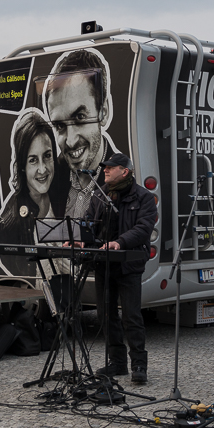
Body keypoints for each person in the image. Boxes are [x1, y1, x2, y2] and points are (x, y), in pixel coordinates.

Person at [67, 152, 154, 384]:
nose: (105, 170)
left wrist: (120, 242)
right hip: (103, 263)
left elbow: (143, 228)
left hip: (128, 264)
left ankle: (139, 364)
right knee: (106, 315)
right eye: (104, 167)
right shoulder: (99, 194)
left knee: (131, 316)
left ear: (124, 171)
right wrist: (81, 238)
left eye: (110, 167)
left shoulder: (143, 197)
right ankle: (117, 362)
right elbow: (89, 222)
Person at [43, 49, 117, 221]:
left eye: (80, 118)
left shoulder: (123, 179)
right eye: (60, 125)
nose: (70, 141)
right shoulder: (50, 179)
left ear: (103, 112)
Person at [0, 109, 62, 275]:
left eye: (47, 156)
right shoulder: (8, 223)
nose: (42, 169)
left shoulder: (63, 190)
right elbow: (19, 272)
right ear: (22, 167)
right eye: (33, 160)